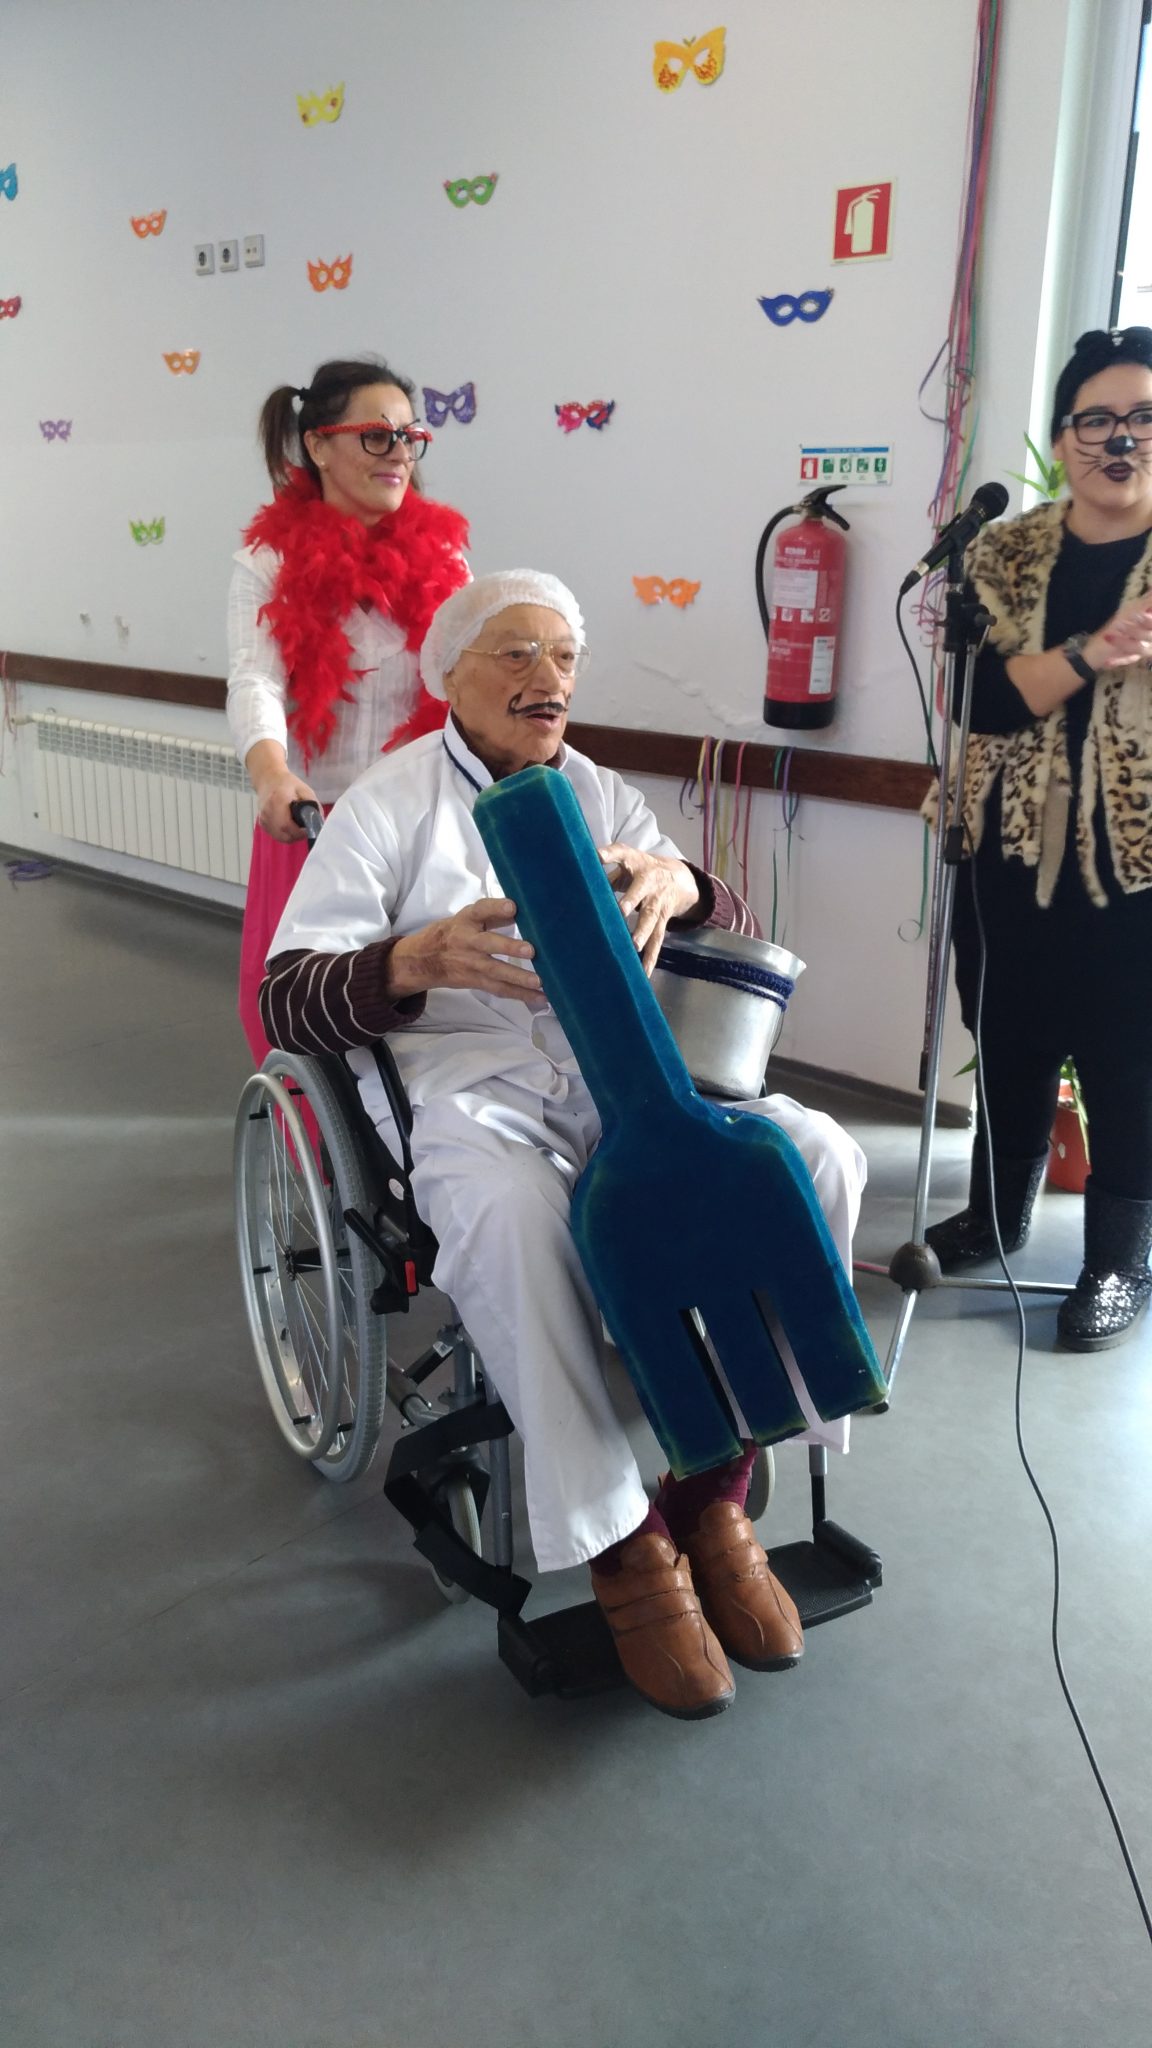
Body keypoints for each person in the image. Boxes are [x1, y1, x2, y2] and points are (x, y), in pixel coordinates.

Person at [259, 570, 869, 1722]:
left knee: (815, 1154)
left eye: (565, 656)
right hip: (470, 1096)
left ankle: (715, 1492)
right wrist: (413, 959)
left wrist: (681, 881)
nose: (550, 678)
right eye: (518, 652)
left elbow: (726, 926)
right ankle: (623, 1543)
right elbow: (284, 998)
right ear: (449, 673)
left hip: (625, 1078)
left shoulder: (601, 793)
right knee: (513, 1214)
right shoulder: (386, 804)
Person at [926, 327, 1152, 1350]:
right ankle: (996, 1215)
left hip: (1136, 869)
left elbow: (1024, 690)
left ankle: (1119, 1262)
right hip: (1005, 847)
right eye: (1097, 419)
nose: (1121, 439)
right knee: (1007, 1034)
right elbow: (982, 702)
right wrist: (1095, 652)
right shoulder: (1002, 552)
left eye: (1143, 417)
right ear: (1063, 439)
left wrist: (1050, 673)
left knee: (1128, 1061)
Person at [226, 356, 470, 1064]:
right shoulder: (266, 564)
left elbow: (469, 682)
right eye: (376, 436)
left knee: (422, 1009)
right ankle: (310, 1124)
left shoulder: (447, 560)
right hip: (313, 821)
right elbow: (255, 680)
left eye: (409, 437)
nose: (399, 454)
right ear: (318, 445)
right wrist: (272, 775)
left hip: (418, 823)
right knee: (308, 1008)